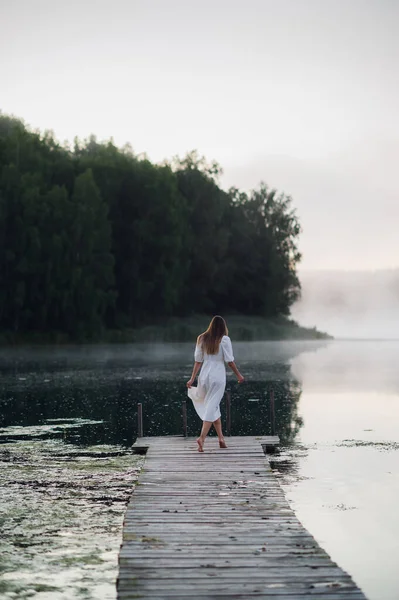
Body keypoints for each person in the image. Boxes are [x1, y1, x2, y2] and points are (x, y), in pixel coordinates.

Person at [186, 315, 244, 452]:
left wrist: (192, 378)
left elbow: (198, 361)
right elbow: (229, 361)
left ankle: (221, 439)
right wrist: (239, 375)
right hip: (217, 376)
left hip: (205, 375)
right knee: (211, 406)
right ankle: (202, 438)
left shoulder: (202, 338)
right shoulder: (224, 340)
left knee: (213, 405)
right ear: (223, 326)